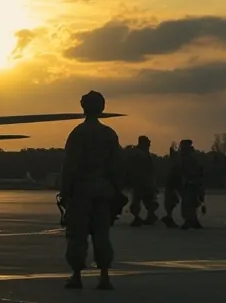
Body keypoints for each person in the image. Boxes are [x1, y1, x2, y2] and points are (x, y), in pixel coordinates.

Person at [59, 90, 122, 290]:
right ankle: (104, 276)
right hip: (103, 191)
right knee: (102, 234)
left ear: (83, 107)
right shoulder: (109, 134)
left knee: (77, 234)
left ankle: (76, 274)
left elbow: (70, 165)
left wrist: (65, 190)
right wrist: (116, 191)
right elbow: (116, 166)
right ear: (102, 108)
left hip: (81, 192)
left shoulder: (79, 133)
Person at [123, 135, 159, 227]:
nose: (149, 144)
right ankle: (140, 217)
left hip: (145, 181)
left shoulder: (142, 153)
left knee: (147, 200)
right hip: (141, 181)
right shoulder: (138, 153)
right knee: (140, 200)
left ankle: (149, 216)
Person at [176, 139, 205, 230]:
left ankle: (189, 220)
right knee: (192, 202)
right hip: (192, 182)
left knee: (188, 202)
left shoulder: (189, 157)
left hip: (190, 182)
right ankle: (193, 220)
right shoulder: (191, 156)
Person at [161, 141, 181, 228]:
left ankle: (169, 217)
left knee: (172, 202)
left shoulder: (173, 163)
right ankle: (168, 218)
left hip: (172, 185)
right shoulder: (174, 164)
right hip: (171, 186)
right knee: (171, 202)